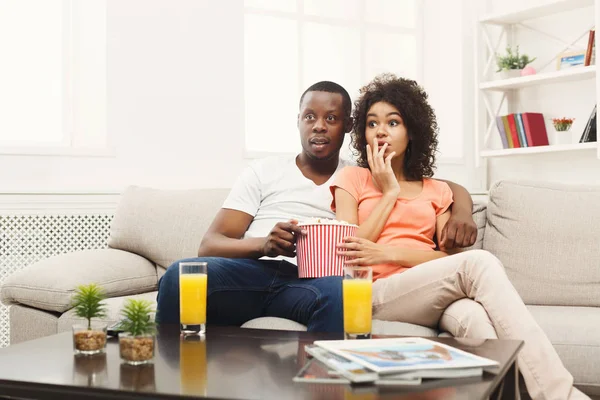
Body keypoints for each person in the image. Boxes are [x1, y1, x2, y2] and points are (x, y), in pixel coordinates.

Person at [331, 73, 588, 400]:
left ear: (412, 133)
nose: (381, 130)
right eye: (372, 123)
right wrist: (390, 192)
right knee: (479, 264)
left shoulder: (437, 190)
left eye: (393, 123)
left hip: (431, 293)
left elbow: (447, 260)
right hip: (375, 293)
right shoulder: (352, 178)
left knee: (475, 321)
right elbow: (349, 251)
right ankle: (562, 395)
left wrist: (386, 253)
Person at [156, 80, 477, 333]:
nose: (319, 126)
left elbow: (433, 187)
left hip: (310, 281)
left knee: (344, 293)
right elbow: (209, 245)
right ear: (298, 121)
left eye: (332, 118)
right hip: (252, 273)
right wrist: (264, 244)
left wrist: (463, 210)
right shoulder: (263, 171)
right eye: (310, 117)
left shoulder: (361, 174)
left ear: (350, 126)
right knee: (177, 276)